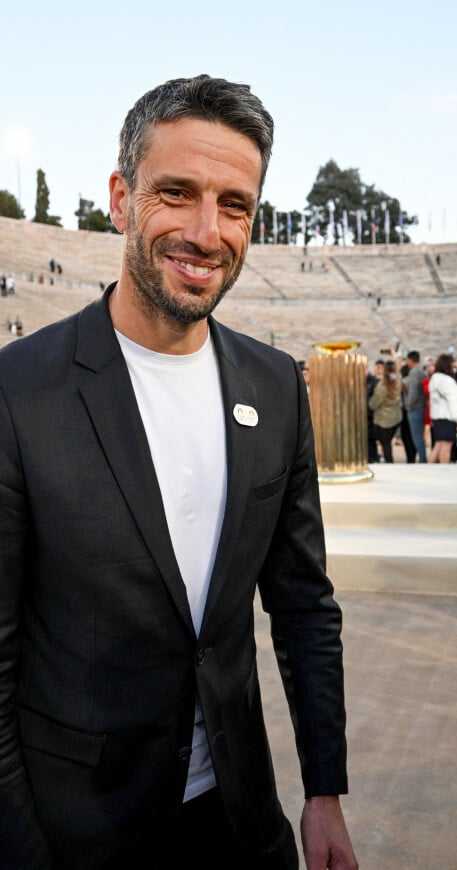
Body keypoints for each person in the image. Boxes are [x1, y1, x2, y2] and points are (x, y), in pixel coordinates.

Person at [0, 75, 357, 870]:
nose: (207, 231)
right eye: (177, 193)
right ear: (122, 197)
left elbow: (303, 606)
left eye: (234, 205)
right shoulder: (18, 393)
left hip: (239, 822)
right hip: (80, 832)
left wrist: (323, 791)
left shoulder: (275, 386)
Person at [427, 353, 457, 464]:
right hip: (447, 416)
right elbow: (453, 402)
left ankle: (428, 468)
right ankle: (444, 469)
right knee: (446, 445)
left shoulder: (434, 378)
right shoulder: (447, 381)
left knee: (438, 444)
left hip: (437, 416)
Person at [368, 358, 402, 463]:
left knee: (386, 445)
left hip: (383, 420)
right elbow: (394, 375)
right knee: (387, 444)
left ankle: (389, 464)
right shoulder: (397, 380)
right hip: (396, 418)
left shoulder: (382, 387)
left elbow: (373, 404)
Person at [402, 350, 427, 462]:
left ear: (410, 360)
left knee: (417, 436)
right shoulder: (421, 370)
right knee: (419, 436)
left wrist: (408, 404)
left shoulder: (414, 372)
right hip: (421, 406)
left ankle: (422, 458)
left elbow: (413, 391)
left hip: (415, 408)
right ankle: (422, 457)